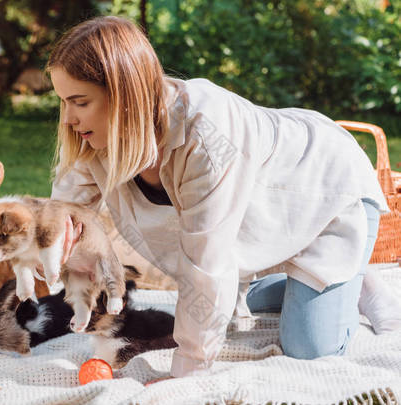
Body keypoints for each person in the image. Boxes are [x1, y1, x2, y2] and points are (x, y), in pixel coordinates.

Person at [47, 15, 401, 378]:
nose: (68, 120)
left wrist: (186, 372)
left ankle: (355, 283)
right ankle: (309, 282)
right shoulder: (95, 138)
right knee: (251, 295)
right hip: (266, 220)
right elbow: (61, 218)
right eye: (64, 103)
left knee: (309, 349)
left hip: (323, 188)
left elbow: (206, 267)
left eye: (80, 102)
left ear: (124, 96)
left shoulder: (207, 136)